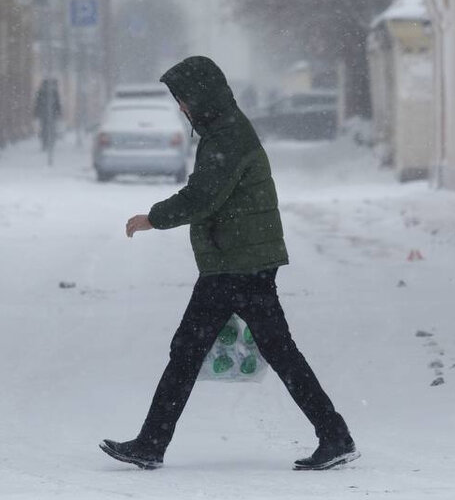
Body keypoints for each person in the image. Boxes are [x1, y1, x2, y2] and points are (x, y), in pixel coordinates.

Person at [100, 55, 358, 471]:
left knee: (191, 350)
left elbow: (202, 197)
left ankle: (151, 444)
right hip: (240, 259)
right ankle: (334, 434)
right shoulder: (224, 130)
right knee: (267, 351)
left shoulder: (227, 138)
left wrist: (152, 218)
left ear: (202, 97)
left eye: (183, 99)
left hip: (239, 263)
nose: (181, 108)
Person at [34, 77, 62, 153]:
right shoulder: (53, 91)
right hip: (51, 114)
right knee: (50, 129)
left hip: (44, 114)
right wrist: (59, 112)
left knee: (45, 129)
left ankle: (45, 143)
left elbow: (37, 103)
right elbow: (57, 103)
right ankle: (49, 142)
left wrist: (36, 113)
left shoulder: (41, 91)